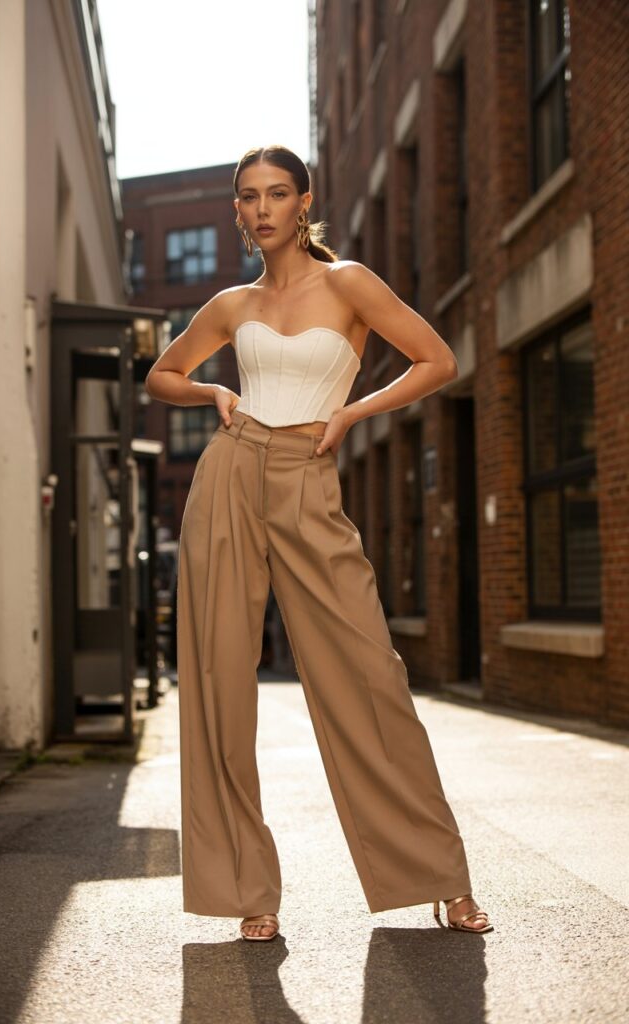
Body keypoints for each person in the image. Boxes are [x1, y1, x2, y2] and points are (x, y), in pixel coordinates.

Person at [145, 144, 493, 941]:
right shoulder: (231, 305)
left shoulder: (350, 283)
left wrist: (351, 414)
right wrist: (211, 388)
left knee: (369, 674)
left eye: (275, 194)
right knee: (218, 681)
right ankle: (246, 890)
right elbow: (161, 376)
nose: (260, 208)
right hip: (229, 476)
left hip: (309, 471)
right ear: (236, 212)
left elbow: (435, 359)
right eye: (247, 197)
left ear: (304, 202)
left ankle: (439, 876)